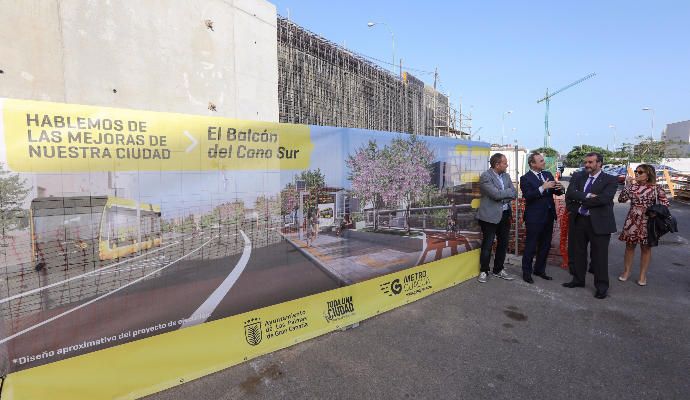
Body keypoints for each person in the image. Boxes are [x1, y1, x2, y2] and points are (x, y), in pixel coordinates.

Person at [563, 152, 618, 299]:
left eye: (590, 162)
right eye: (586, 162)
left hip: (599, 223)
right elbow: (570, 194)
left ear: (599, 163)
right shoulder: (578, 176)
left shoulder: (610, 180)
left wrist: (579, 199)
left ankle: (601, 287)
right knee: (578, 252)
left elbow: (604, 199)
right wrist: (587, 196)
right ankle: (578, 280)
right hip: (579, 220)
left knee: (599, 256)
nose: (587, 165)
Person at [617, 164, 669, 286]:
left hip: (648, 220)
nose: (637, 174)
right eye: (636, 171)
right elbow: (621, 199)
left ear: (648, 175)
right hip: (633, 219)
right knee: (630, 246)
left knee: (646, 248)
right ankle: (626, 272)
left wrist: (655, 213)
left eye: (640, 172)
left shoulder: (657, 188)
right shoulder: (632, 187)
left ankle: (642, 275)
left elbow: (665, 204)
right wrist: (627, 186)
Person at [519, 153, 564, 283]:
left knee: (545, 245)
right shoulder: (525, 178)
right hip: (534, 217)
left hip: (549, 215)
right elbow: (528, 196)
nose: (544, 162)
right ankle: (526, 272)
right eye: (541, 160)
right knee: (531, 246)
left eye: (543, 160)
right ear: (533, 164)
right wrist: (543, 187)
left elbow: (556, 191)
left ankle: (539, 269)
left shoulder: (548, 174)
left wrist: (561, 189)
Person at [476, 153, 517, 283]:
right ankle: (484, 270)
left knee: (503, 243)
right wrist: (505, 194)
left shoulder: (506, 176)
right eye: (505, 163)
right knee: (488, 244)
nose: (507, 165)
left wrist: (502, 195)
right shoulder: (485, 176)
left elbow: (515, 193)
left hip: (505, 214)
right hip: (489, 216)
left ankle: (498, 269)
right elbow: (495, 195)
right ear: (497, 164)